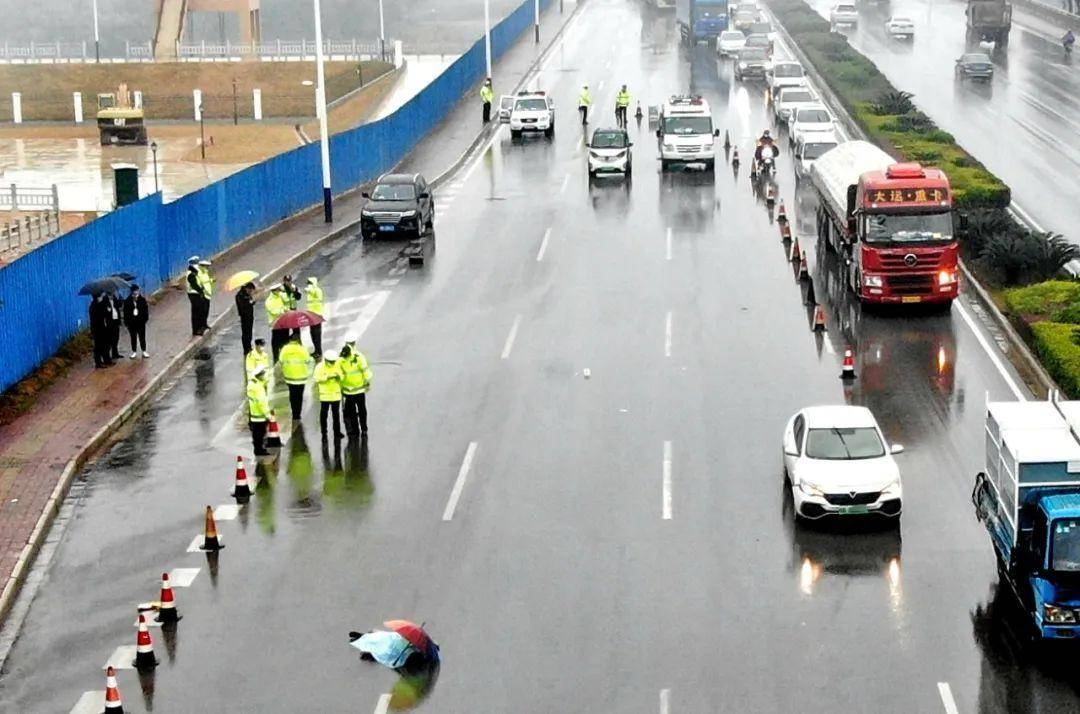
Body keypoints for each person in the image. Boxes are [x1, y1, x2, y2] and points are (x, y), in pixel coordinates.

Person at [340, 336, 373, 437]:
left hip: (347, 391)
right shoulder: (359, 356)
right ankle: (364, 429)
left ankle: (355, 431)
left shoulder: (341, 357)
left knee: (352, 412)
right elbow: (365, 371)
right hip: (359, 390)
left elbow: (339, 373)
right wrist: (367, 382)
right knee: (362, 409)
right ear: (354, 343)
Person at [279, 334, 314, 421]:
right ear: (298, 340)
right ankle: (298, 413)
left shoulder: (285, 349)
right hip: (301, 377)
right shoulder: (303, 349)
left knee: (292, 394)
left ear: (290, 340)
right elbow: (308, 360)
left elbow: (281, 360)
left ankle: (294, 412)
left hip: (289, 377)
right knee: (299, 395)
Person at [314, 350, 344, 439]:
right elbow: (316, 378)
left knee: (336, 415)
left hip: (336, 394)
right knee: (324, 415)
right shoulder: (320, 367)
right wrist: (326, 377)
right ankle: (324, 432)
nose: (333, 363)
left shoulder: (338, 365)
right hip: (325, 395)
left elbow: (343, 376)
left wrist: (339, 377)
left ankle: (337, 432)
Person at [246, 365, 271, 456]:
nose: (264, 375)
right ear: (259, 375)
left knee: (257, 434)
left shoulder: (252, 385)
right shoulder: (258, 388)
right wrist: (268, 415)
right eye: (263, 374)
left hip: (254, 414)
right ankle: (259, 450)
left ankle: (258, 448)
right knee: (260, 434)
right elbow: (262, 403)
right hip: (260, 416)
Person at [123, 284, 149, 358]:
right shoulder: (127, 301)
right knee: (133, 337)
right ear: (131, 292)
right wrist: (127, 323)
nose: (136, 293)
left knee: (142, 337)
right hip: (132, 324)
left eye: (137, 291)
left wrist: (144, 320)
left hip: (141, 322)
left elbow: (145, 311)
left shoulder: (142, 300)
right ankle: (134, 351)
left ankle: (144, 350)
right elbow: (126, 313)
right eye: (134, 291)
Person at [265, 285, 289, 362]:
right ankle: (276, 359)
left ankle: (284, 357)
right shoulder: (269, 301)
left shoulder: (280, 296)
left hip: (284, 322)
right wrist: (282, 311)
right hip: (275, 324)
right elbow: (273, 311)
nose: (279, 291)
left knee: (285, 341)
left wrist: (284, 292)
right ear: (274, 291)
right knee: (276, 343)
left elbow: (287, 300)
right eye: (278, 290)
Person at [90, 293, 114, 368]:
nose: (102, 298)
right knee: (98, 346)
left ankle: (107, 360)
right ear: (97, 297)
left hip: (103, 328)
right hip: (97, 329)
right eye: (100, 296)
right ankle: (98, 363)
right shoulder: (94, 306)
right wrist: (105, 311)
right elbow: (98, 317)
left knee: (106, 345)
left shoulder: (100, 304)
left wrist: (108, 310)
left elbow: (105, 313)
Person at [304, 276, 326, 358]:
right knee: (312, 334)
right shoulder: (310, 292)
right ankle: (316, 350)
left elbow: (312, 291)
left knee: (317, 335)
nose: (308, 285)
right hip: (311, 315)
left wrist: (309, 288)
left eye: (309, 283)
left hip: (317, 315)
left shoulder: (317, 291)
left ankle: (319, 352)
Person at [235, 282, 257, 354]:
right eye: (250, 290)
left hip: (250, 315)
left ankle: (249, 346)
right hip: (244, 316)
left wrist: (252, 301)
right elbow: (242, 306)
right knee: (245, 333)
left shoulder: (247, 294)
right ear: (246, 288)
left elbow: (250, 302)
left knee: (249, 332)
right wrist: (250, 302)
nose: (250, 292)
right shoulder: (240, 295)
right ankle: (246, 348)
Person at [196, 260, 215, 334]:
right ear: (203, 266)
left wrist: (211, 280)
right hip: (202, 295)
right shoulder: (199, 274)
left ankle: (204, 324)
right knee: (201, 312)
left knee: (206, 311)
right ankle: (200, 328)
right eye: (207, 266)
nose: (208, 268)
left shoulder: (205, 273)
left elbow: (206, 281)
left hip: (207, 295)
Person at [185, 256, 202, 336]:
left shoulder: (193, 271)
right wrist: (201, 290)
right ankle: (196, 330)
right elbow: (194, 284)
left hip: (194, 293)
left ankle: (198, 328)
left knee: (198, 311)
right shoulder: (191, 273)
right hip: (193, 294)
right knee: (196, 312)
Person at [108, 292, 123, 361]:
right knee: (111, 338)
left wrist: (120, 299)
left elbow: (119, 305)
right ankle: (109, 355)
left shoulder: (114, 298)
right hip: (110, 322)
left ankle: (115, 353)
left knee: (116, 337)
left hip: (116, 321)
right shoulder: (105, 300)